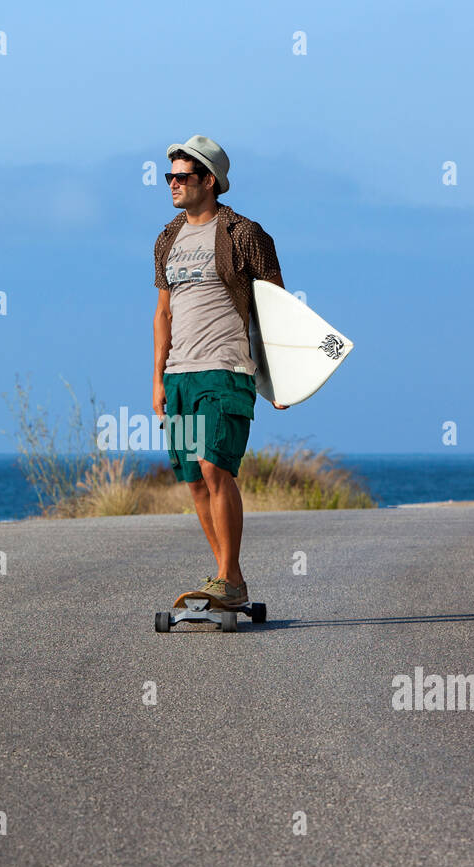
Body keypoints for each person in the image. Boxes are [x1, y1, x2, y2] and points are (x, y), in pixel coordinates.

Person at [151, 135, 285, 609]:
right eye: (170, 177)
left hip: (227, 370)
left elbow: (276, 309)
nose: (173, 184)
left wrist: (281, 378)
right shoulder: (167, 238)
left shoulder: (244, 234)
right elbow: (163, 313)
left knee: (215, 466)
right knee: (193, 478)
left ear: (209, 181)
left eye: (182, 177)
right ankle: (231, 578)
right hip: (180, 375)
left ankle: (227, 578)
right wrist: (157, 380)